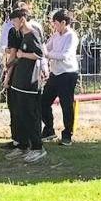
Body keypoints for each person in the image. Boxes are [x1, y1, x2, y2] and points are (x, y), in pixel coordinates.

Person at [3, 7, 46, 162]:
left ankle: (37, 147)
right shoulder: (21, 35)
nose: (13, 24)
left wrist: (23, 54)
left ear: (22, 19)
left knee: (30, 115)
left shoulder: (32, 34)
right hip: (19, 82)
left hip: (29, 83)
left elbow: (40, 54)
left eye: (14, 21)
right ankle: (22, 145)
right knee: (19, 114)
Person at [41, 9, 80, 144]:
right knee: (43, 102)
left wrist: (48, 55)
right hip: (55, 73)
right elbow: (46, 48)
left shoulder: (71, 36)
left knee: (66, 104)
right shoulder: (56, 35)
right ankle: (49, 130)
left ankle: (67, 135)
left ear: (63, 23)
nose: (54, 26)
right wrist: (41, 49)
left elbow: (65, 55)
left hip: (68, 74)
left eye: (56, 23)